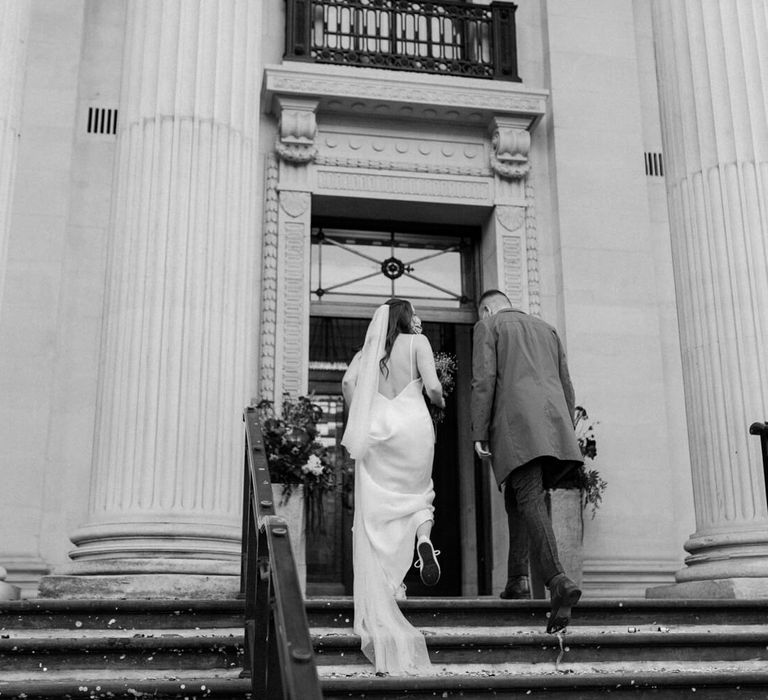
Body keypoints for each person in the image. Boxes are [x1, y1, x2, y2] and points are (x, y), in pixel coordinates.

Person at [341, 298, 445, 675]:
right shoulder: (418, 343)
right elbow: (432, 387)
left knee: (378, 510)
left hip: (379, 432)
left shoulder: (368, 351)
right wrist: (441, 399)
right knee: (420, 497)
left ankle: (386, 583)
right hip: (415, 428)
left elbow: (348, 382)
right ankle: (422, 539)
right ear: (407, 318)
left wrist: (361, 416)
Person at [470, 289, 584, 633]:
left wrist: (479, 430)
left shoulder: (488, 327)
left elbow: (484, 380)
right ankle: (517, 578)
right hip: (553, 425)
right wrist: (565, 428)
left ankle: (557, 579)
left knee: (530, 498)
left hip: (516, 426)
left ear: (488, 308)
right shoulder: (547, 328)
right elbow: (567, 385)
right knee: (517, 499)